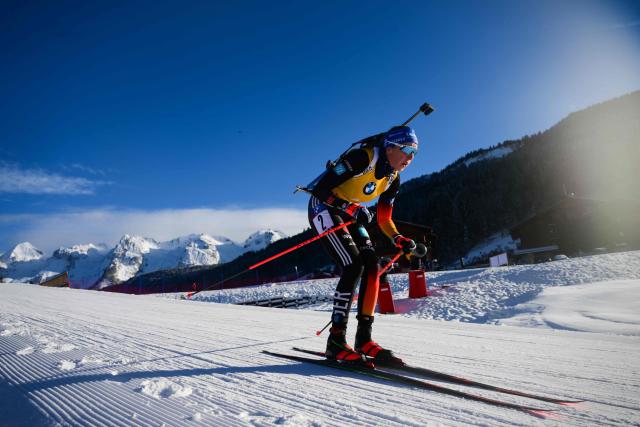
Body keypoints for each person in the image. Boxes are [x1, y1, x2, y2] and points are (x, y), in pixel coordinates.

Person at [307, 126, 419, 364]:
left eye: (415, 153)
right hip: (324, 208)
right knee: (353, 264)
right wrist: (349, 208)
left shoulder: (393, 179)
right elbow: (320, 189)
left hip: (350, 212)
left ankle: (364, 339)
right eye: (408, 150)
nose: (411, 157)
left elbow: (384, 218)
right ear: (390, 147)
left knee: (372, 265)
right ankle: (336, 341)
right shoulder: (363, 158)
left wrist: (398, 238)